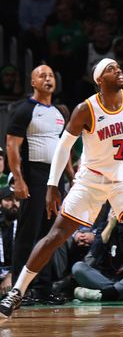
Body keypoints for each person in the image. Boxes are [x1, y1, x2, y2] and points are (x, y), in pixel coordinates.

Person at [0, 58, 123, 319]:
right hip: (91, 180)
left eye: (119, 67)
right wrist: (53, 185)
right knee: (56, 235)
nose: (119, 71)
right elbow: (63, 147)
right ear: (99, 79)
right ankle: (17, 292)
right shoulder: (85, 109)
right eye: (111, 69)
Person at [5, 65, 72, 305]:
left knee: (50, 235)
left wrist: (71, 176)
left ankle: (43, 289)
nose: (48, 79)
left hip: (55, 179)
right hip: (33, 175)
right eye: (42, 76)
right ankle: (19, 291)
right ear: (32, 82)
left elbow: (64, 147)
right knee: (27, 233)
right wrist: (19, 179)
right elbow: (12, 146)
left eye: (51, 75)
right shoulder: (24, 109)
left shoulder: (58, 112)